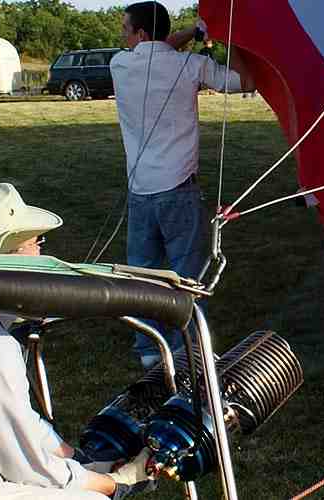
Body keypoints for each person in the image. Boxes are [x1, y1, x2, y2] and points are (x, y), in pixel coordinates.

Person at [0, 183, 153, 500]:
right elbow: (26, 466)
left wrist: (77, 459)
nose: (42, 253)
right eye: (35, 244)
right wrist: (116, 483)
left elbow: (18, 419)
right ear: (6, 259)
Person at [112, 1, 254, 369]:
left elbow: (157, 49)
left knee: (141, 274)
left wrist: (194, 32)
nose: (123, 36)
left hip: (141, 189)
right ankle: (186, 351)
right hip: (178, 187)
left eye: (126, 29)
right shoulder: (188, 65)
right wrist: (227, 37)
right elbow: (244, 81)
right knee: (186, 276)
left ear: (141, 34)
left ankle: (148, 353)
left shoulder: (120, 64)